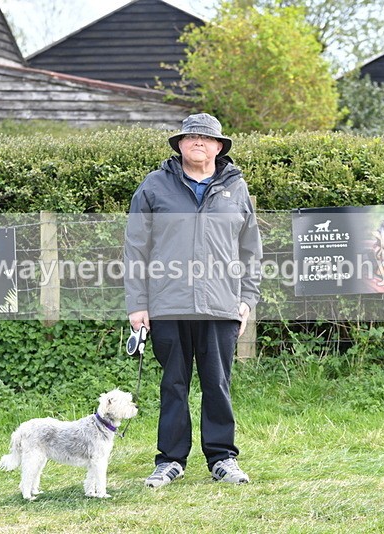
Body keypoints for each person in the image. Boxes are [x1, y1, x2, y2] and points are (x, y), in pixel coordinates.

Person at [124, 113, 262, 488]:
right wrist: (138, 304)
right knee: (173, 384)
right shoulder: (153, 187)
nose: (197, 142)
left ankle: (222, 459)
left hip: (221, 305)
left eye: (206, 138)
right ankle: (170, 460)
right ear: (180, 145)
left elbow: (251, 250)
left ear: (219, 146)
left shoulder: (237, 189)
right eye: (190, 137)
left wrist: (246, 298)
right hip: (167, 304)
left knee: (217, 383)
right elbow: (135, 249)